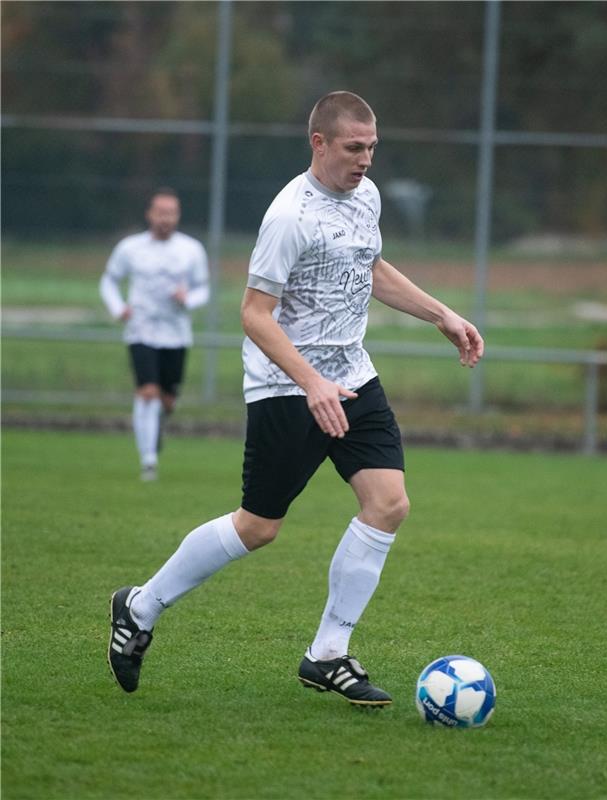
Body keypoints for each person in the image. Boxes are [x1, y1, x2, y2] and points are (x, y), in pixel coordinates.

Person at [107, 92, 483, 705]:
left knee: (388, 504)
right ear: (320, 143)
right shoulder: (289, 216)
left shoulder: (368, 197)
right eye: (354, 147)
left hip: (352, 377)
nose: (366, 159)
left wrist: (440, 313)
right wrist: (309, 381)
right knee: (258, 527)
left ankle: (328, 653)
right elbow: (255, 314)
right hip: (287, 387)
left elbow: (372, 266)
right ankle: (139, 606)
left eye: (372, 147)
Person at [99, 188, 210, 481]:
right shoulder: (130, 248)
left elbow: (203, 289)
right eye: (160, 212)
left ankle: (154, 429)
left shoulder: (191, 250)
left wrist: (188, 298)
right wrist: (118, 307)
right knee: (147, 392)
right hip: (141, 330)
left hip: (176, 334)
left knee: (166, 401)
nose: (165, 219)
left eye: (171, 213)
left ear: (178, 215)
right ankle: (148, 461)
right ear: (150, 214)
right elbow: (109, 281)